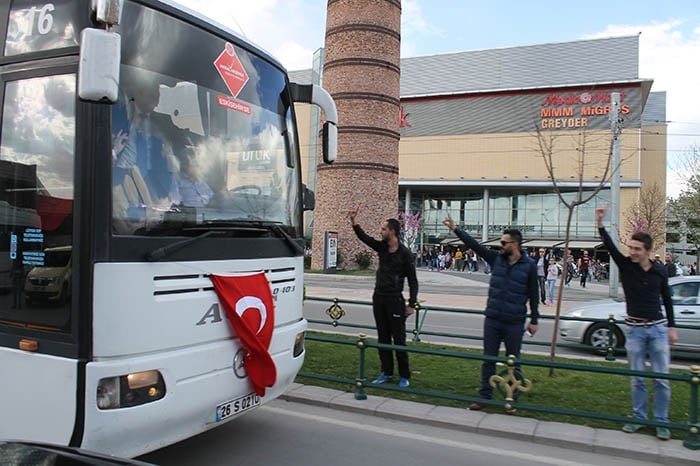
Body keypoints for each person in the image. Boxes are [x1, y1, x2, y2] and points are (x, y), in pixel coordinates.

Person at [442, 214, 538, 413]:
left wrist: (534, 319)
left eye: (504, 242)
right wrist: (455, 229)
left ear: (515, 244)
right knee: (489, 359)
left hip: (514, 321)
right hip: (493, 319)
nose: (500, 245)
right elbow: (475, 246)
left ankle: (511, 399)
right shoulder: (496, 259)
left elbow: (534, 294)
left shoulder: (529, 266)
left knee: (513, 362)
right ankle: (484, 396)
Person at [595, 207, 676, 440]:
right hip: (635, 331)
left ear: (648, 251)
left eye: (637, 249)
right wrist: (600, 223)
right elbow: (610, 246)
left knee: (662, 378)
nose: (632, 252)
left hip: (658, 329)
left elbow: (668, 300)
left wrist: (672, 327)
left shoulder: (660, 272)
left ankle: (662, 421)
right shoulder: (626, 265)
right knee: (637, 378)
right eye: (630, 247)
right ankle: (639, 417)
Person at [349, 208, 419, 388]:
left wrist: (411, 304)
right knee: (383, 338)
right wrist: (354, 222)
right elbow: (366, 239)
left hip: (395, 300)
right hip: (379, 298)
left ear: (392, 231)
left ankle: (404, 375)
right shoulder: (382, 247)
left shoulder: (404, 254)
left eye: (383, 229)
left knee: (399, 339)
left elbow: (413, 280)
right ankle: (386, 372)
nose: (381, 232)